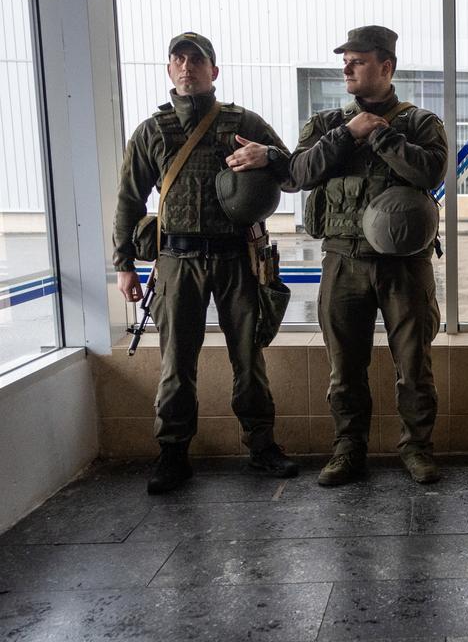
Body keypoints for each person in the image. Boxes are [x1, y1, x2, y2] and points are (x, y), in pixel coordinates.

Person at [113, 31, 299, 494]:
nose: (186, 66)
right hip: (176, 260)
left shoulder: (244, 122)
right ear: (169, 70)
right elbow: (128, 201)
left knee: (249, 358)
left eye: (196, 59)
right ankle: (173, 453)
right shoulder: (151, 132)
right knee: (176, 364)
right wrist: (124, 266)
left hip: (238, 258)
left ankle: (261, 446)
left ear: (213, 71)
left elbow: (294, 174)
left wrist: (268, 154)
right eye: (177, 59)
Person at [288, 25, 447, 486]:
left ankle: (417, 449)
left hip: (404, 265)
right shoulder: (324, 125)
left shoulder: (419, 123)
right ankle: (348, 449)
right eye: (345, 60)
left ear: (386, 66)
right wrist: (346, 134)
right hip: (342, 260)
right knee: (344, 368)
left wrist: (380, 137)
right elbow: (296, 174)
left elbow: (432, 171)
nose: (347, 67)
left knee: (414, 365)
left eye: (357, 60)